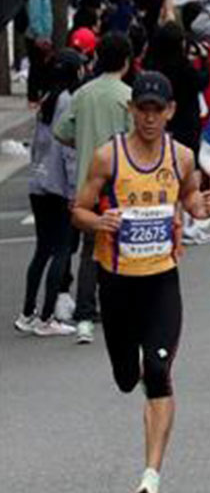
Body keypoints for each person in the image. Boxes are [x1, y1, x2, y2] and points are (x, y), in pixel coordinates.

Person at [71, 71, 210, 493]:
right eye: (143, 109)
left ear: (170, 111)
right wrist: (100, 221)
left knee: (157, 369)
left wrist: (201, 206)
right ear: (131, 110)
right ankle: (127, 368)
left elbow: (188, 196)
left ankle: (151, 474)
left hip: (161, 281)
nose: (149, 118)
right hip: (117, 283)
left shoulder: (181, 157)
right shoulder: (107, 157)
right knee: (124, 375)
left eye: (157, 110)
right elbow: (77, 209)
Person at [55, 31, 135, 344]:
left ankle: (86, 310)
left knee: (90, 248)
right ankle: (119, 306)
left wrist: (84, 141)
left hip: (87, 180)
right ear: (127, 61)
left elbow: (62, 131)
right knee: (121, 246)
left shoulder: (83, 93)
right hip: (120, 181)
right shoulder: (127, 96)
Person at [17, 50, 82, 336]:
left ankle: (27, 312)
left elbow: (36, 145)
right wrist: (73, 191)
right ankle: (46, 317)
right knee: (62, 249)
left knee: (42, 249)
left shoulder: (47, 99)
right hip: (58, 185)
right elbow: (68, 151)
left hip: (38, 182)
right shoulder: (68, 102)